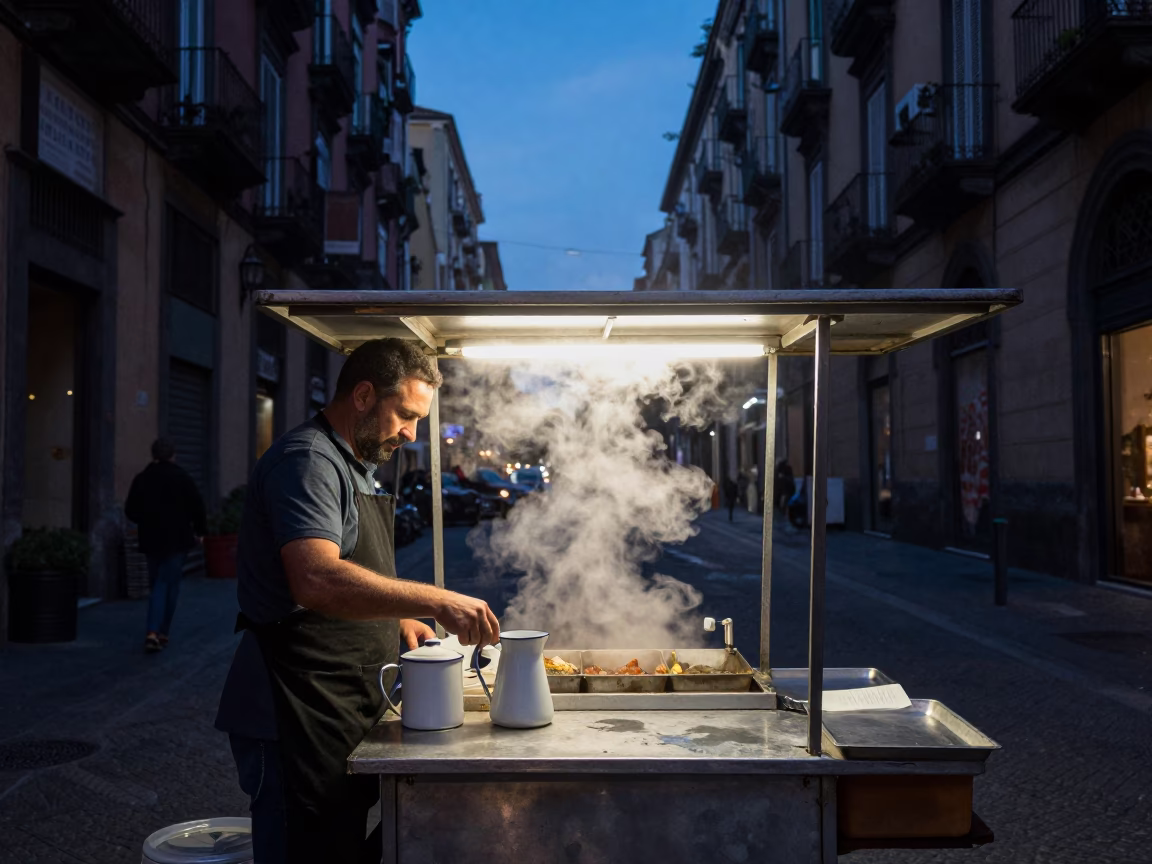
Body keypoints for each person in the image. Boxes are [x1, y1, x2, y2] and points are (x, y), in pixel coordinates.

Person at [215, 338, 500, 864]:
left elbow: (349, 570)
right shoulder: (308, 462)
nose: (412, 434)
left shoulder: (356, 464)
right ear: (364, 395)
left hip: (336, 702)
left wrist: (397, 618)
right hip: (290, 708)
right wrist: (437, 601)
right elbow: (316, 579)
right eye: (407, 416)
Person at [124, 438, 207, 653]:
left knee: (158, 583)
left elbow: (130, 510)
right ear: (173, 455)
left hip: (151, 538)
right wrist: (200, 531)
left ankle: (160, 632)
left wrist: (146, 519)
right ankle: (156, 632)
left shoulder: (142, 479)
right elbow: (198, 506)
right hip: (177, 540)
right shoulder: (182, 478)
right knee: (168, 584)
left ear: (153, 455)